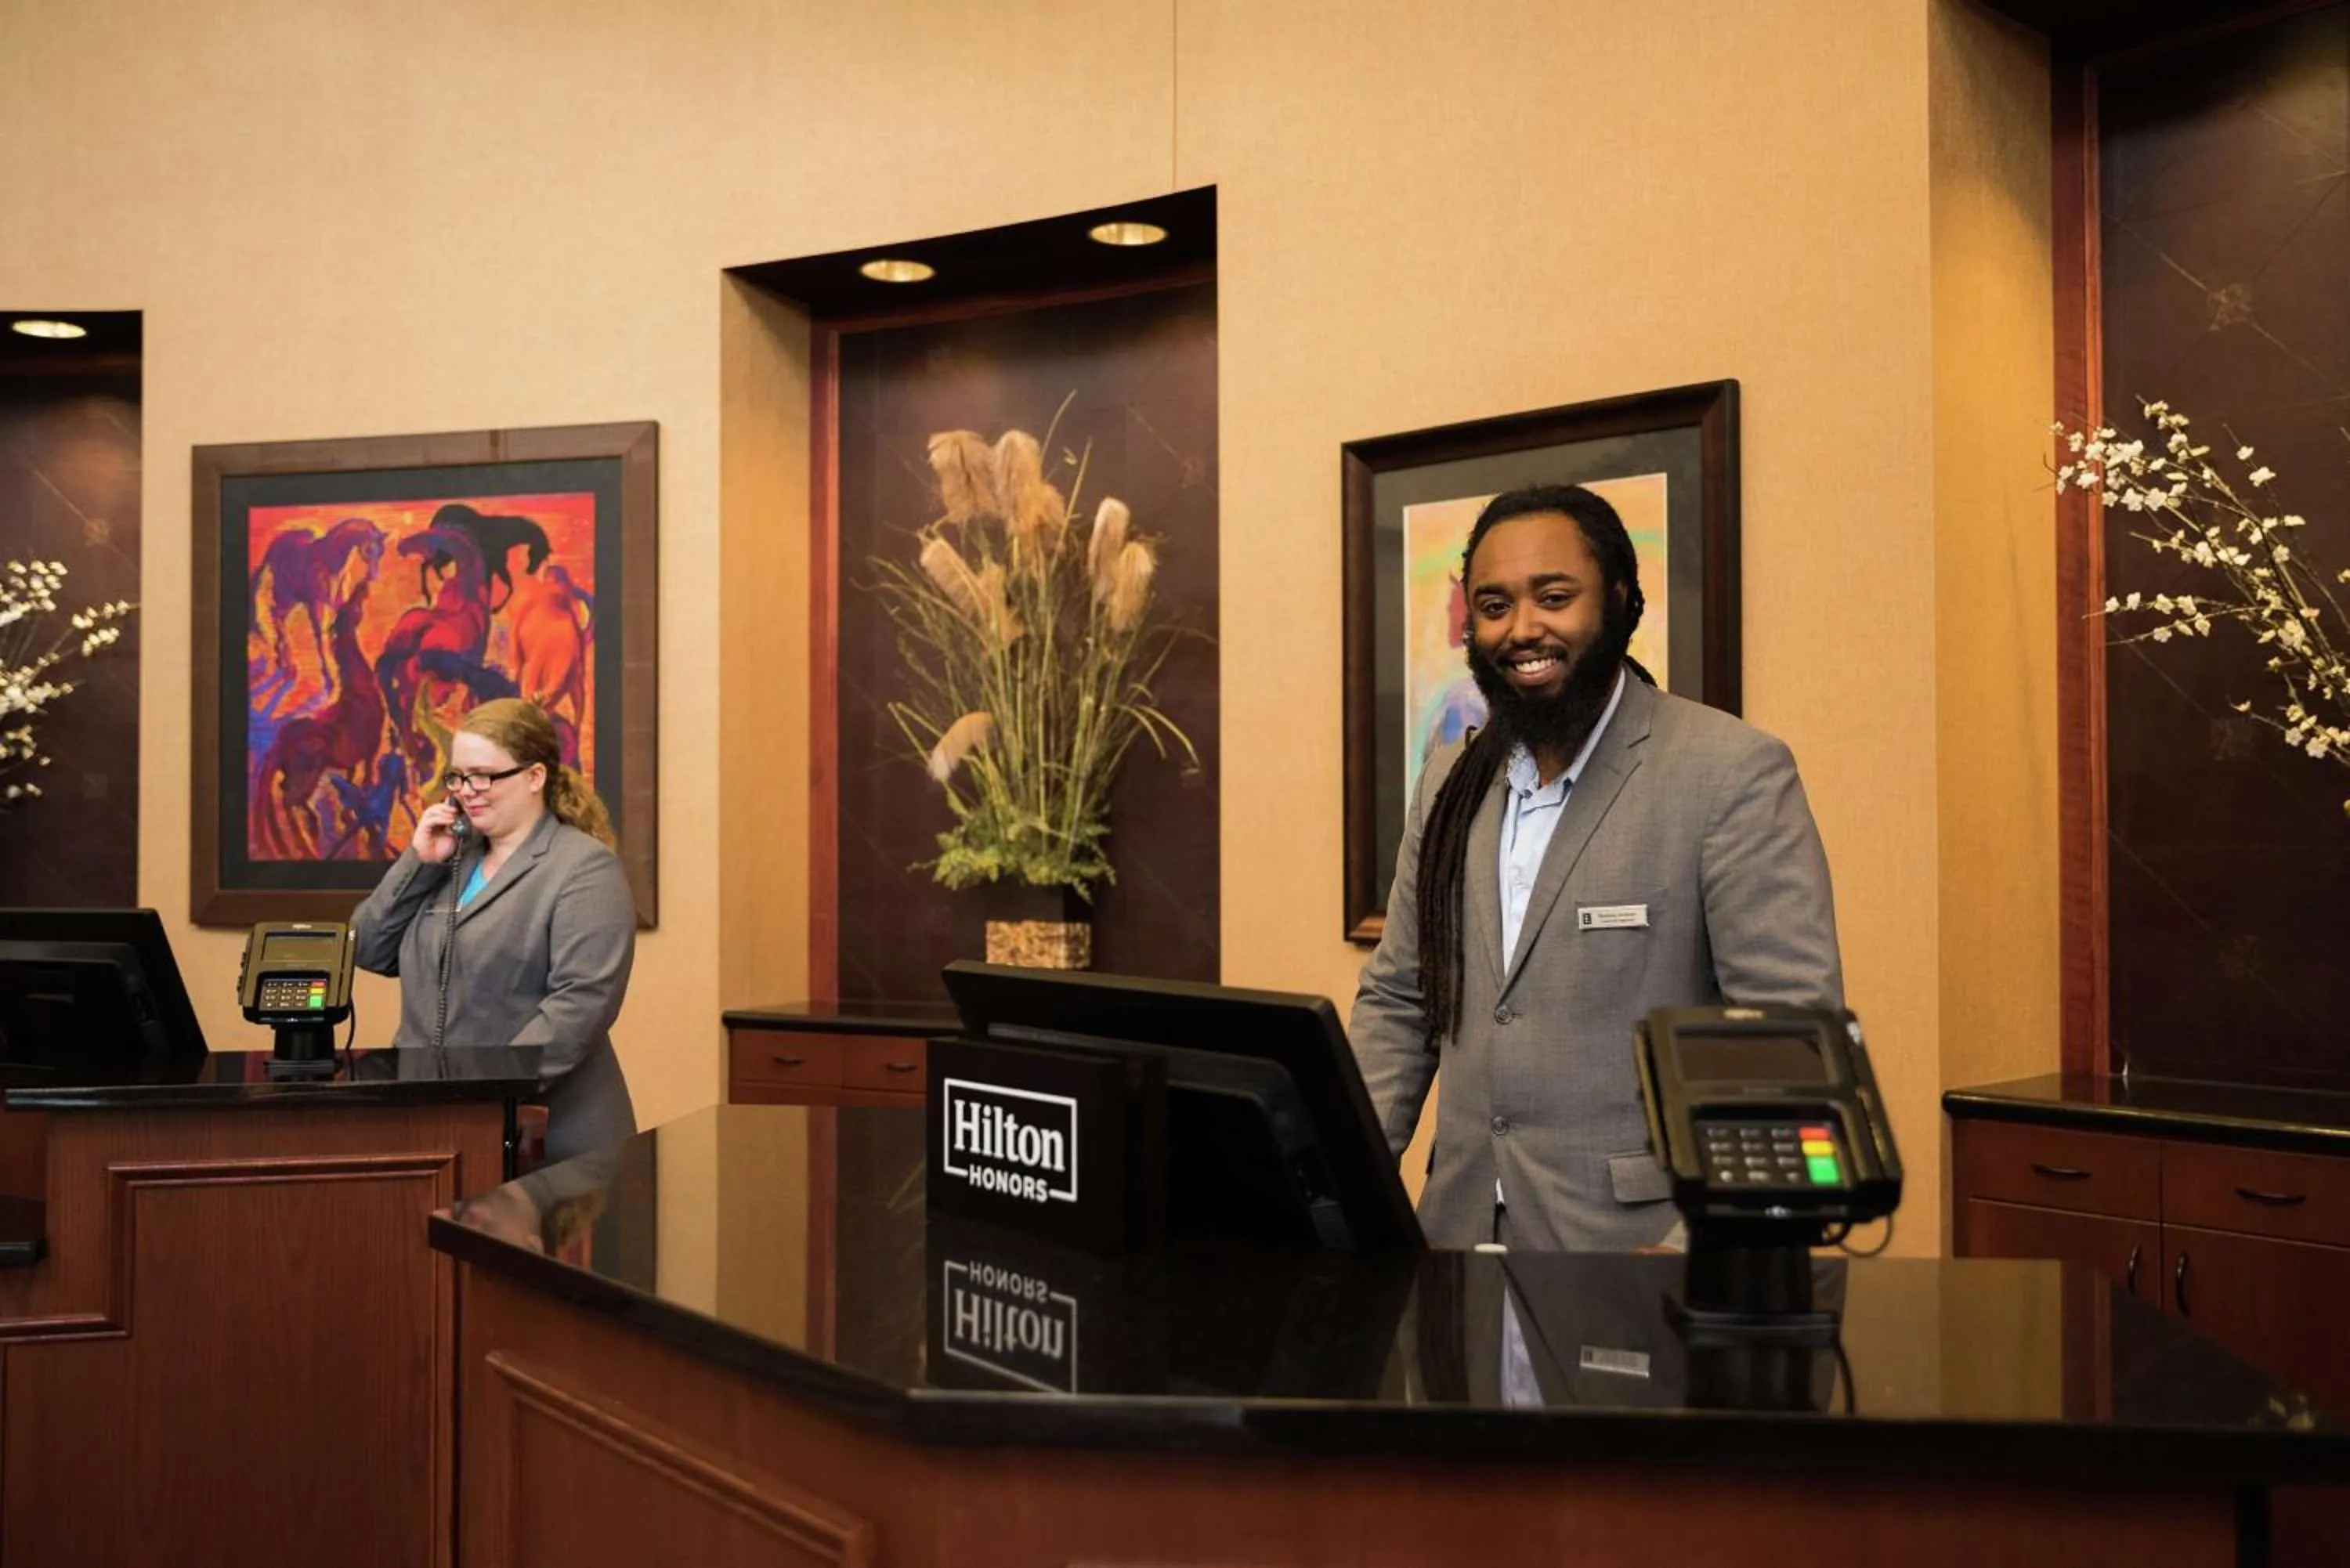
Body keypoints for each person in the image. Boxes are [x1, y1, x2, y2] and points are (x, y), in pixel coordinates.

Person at [1350, 485, 1842, 1252]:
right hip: (1455, 1242)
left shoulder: (1730, 773)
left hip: (1637, 1258)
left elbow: (1786, 1037)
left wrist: (1697, 1253)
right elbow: (1399, 1002)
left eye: (1554, 597)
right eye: (1493, 604)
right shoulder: (1451, 779)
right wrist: (1336, 1195)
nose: (1523, 629)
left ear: (1618, 600)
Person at [353, 698, 637, 1163]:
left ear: (534, 777)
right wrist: (418, 863)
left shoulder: (584, 869)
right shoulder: (450, 858)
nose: (467, 791)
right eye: (458, 777)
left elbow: (580, 1003)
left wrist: (486, 1094)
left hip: (546, 1136)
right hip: (440, 1128)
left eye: (484, 775)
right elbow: (367, 948)